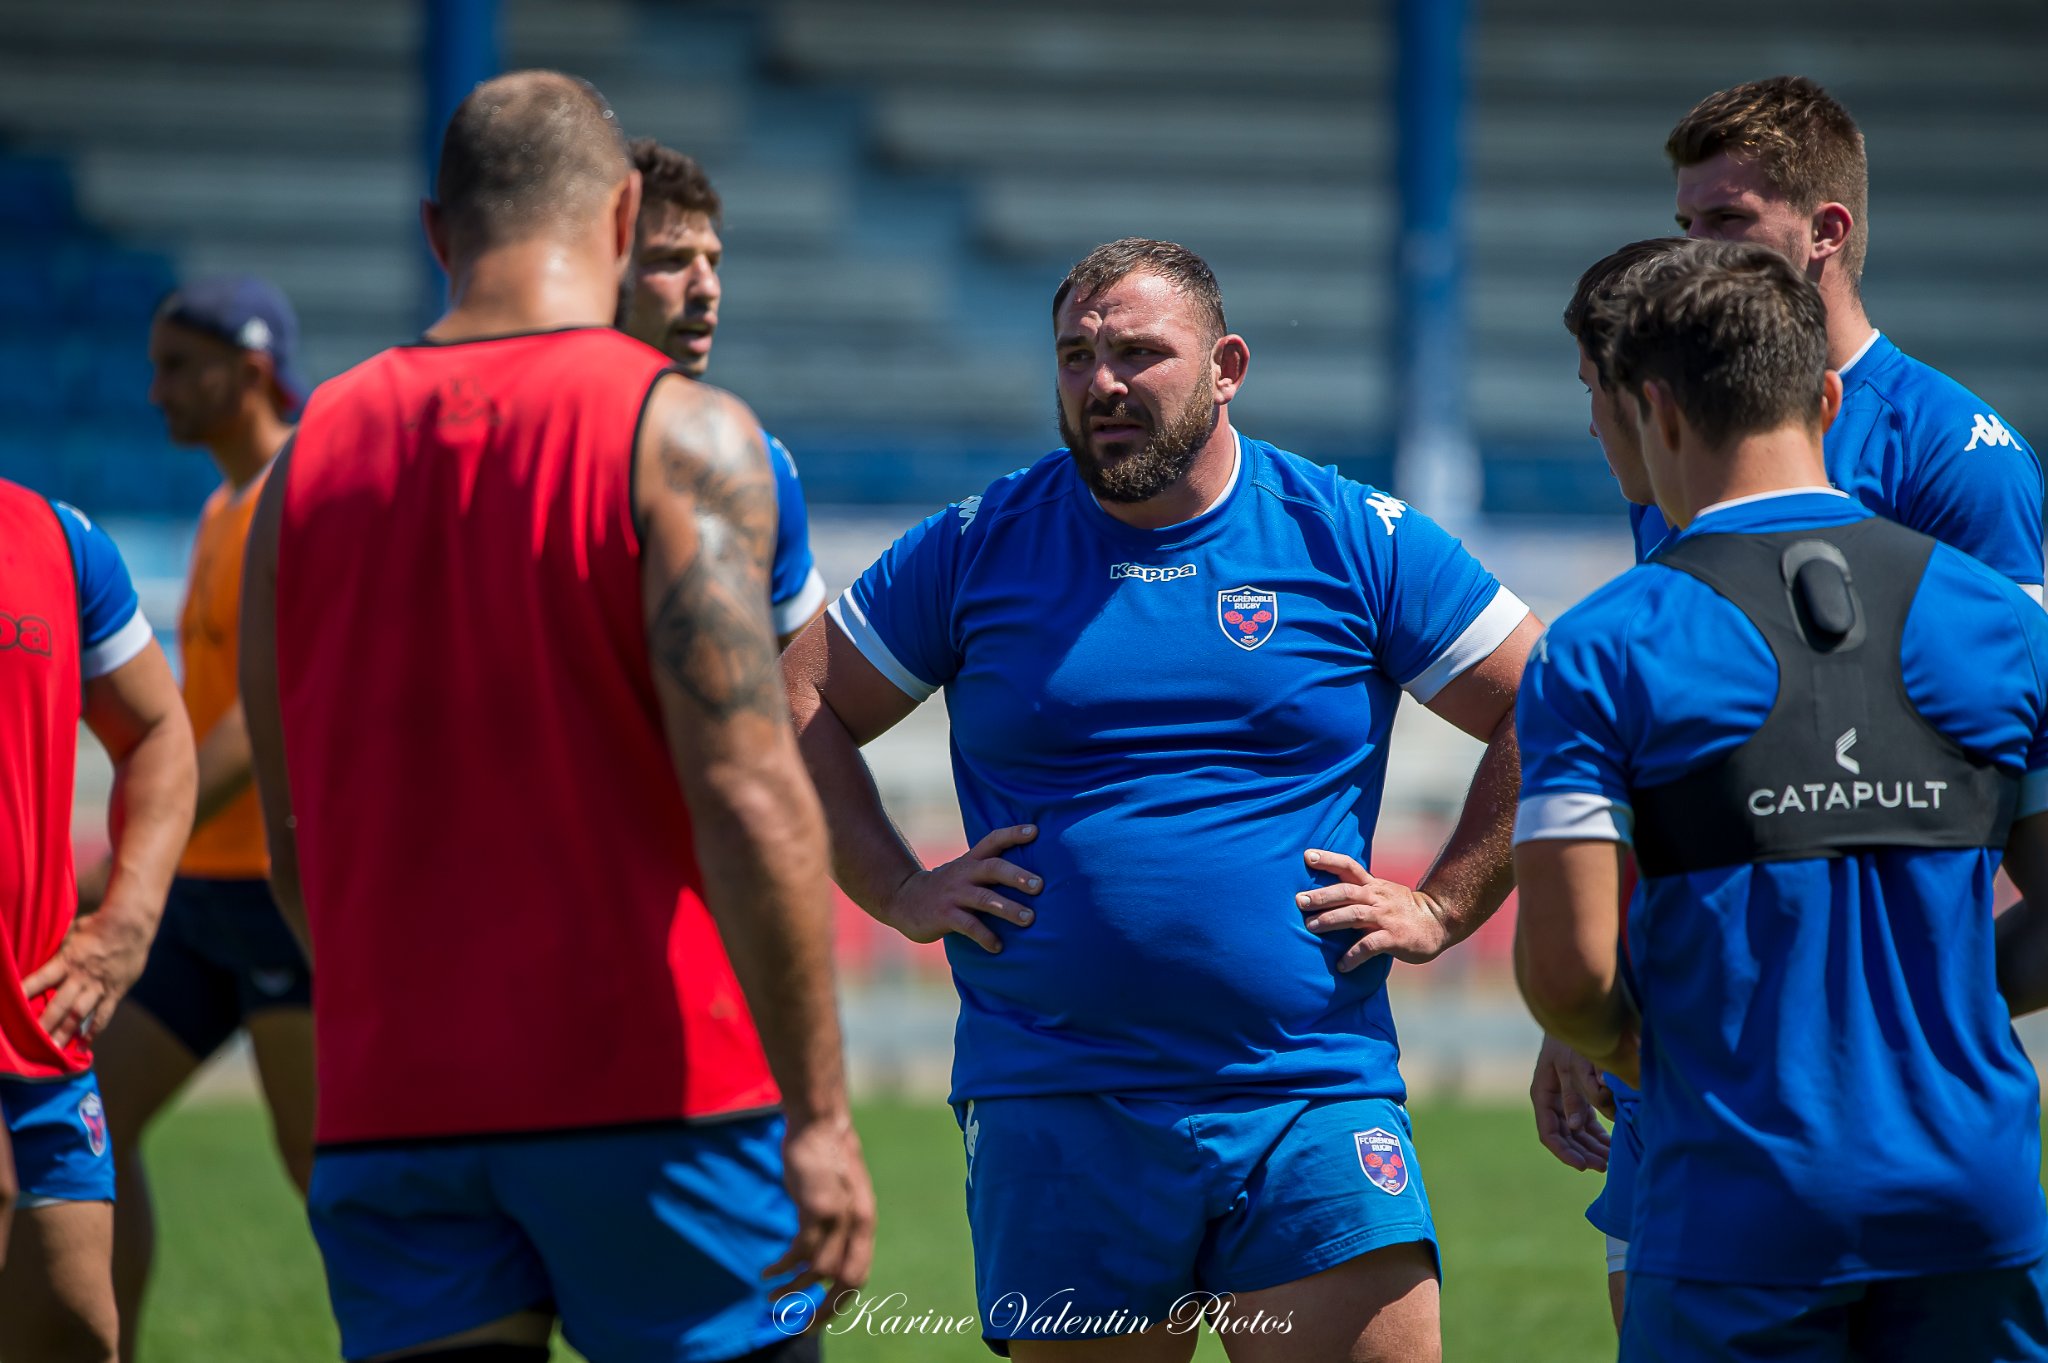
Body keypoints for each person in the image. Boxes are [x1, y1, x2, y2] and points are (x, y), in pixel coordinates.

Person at [783, 236, 1540, 1361]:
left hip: (1305, 1089)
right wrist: (896, 886)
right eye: (1076, 355)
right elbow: (796, 703)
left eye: (1139, 353)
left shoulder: (1341, 534)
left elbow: (1554, 702)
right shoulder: (978, 543)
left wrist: (1442, 904)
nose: (1102, 384)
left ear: (1226, 365)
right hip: (1056, 1094)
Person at [238, 70, 871, 1363]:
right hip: (662, 1097)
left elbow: (291, 833)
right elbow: (752, 793)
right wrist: (816, 1111)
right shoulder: (684, 433)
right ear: (625, 211)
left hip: (393, 1104)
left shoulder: (299, 465)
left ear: (435, 229)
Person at [1539, 74, 2047, 1325]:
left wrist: (1884, 1006)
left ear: (1822, 230)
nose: (1688, 249)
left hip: (1878, 1038)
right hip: (1715, 1018)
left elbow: (1989, 747)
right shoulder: (1675, 431)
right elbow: (1672, 739)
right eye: (1683, 221)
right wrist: (1617, 991)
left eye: (1722, 221)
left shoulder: (1948, 451)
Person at [87, 275, 312, 1363]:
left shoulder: (292, 498)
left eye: (179, 366)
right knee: (85, 1116)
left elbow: (251, 725)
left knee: (340, 1186)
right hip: (201, 897)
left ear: (253, 370)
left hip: (282, 898)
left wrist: (138, 845)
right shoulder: (225, 506)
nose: (156, 389)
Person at [0, 487, 196, 1363]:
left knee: (80, 1329)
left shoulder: (56, 537)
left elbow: (156, 730)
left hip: (38, 1029)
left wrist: (128, 920)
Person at [615, 138, 826, 646]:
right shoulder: (530, 443)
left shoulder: (754, 461)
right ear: (606, 265)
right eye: (671, 259)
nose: (707, 286)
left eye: (713, 260)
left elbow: (814, 685)